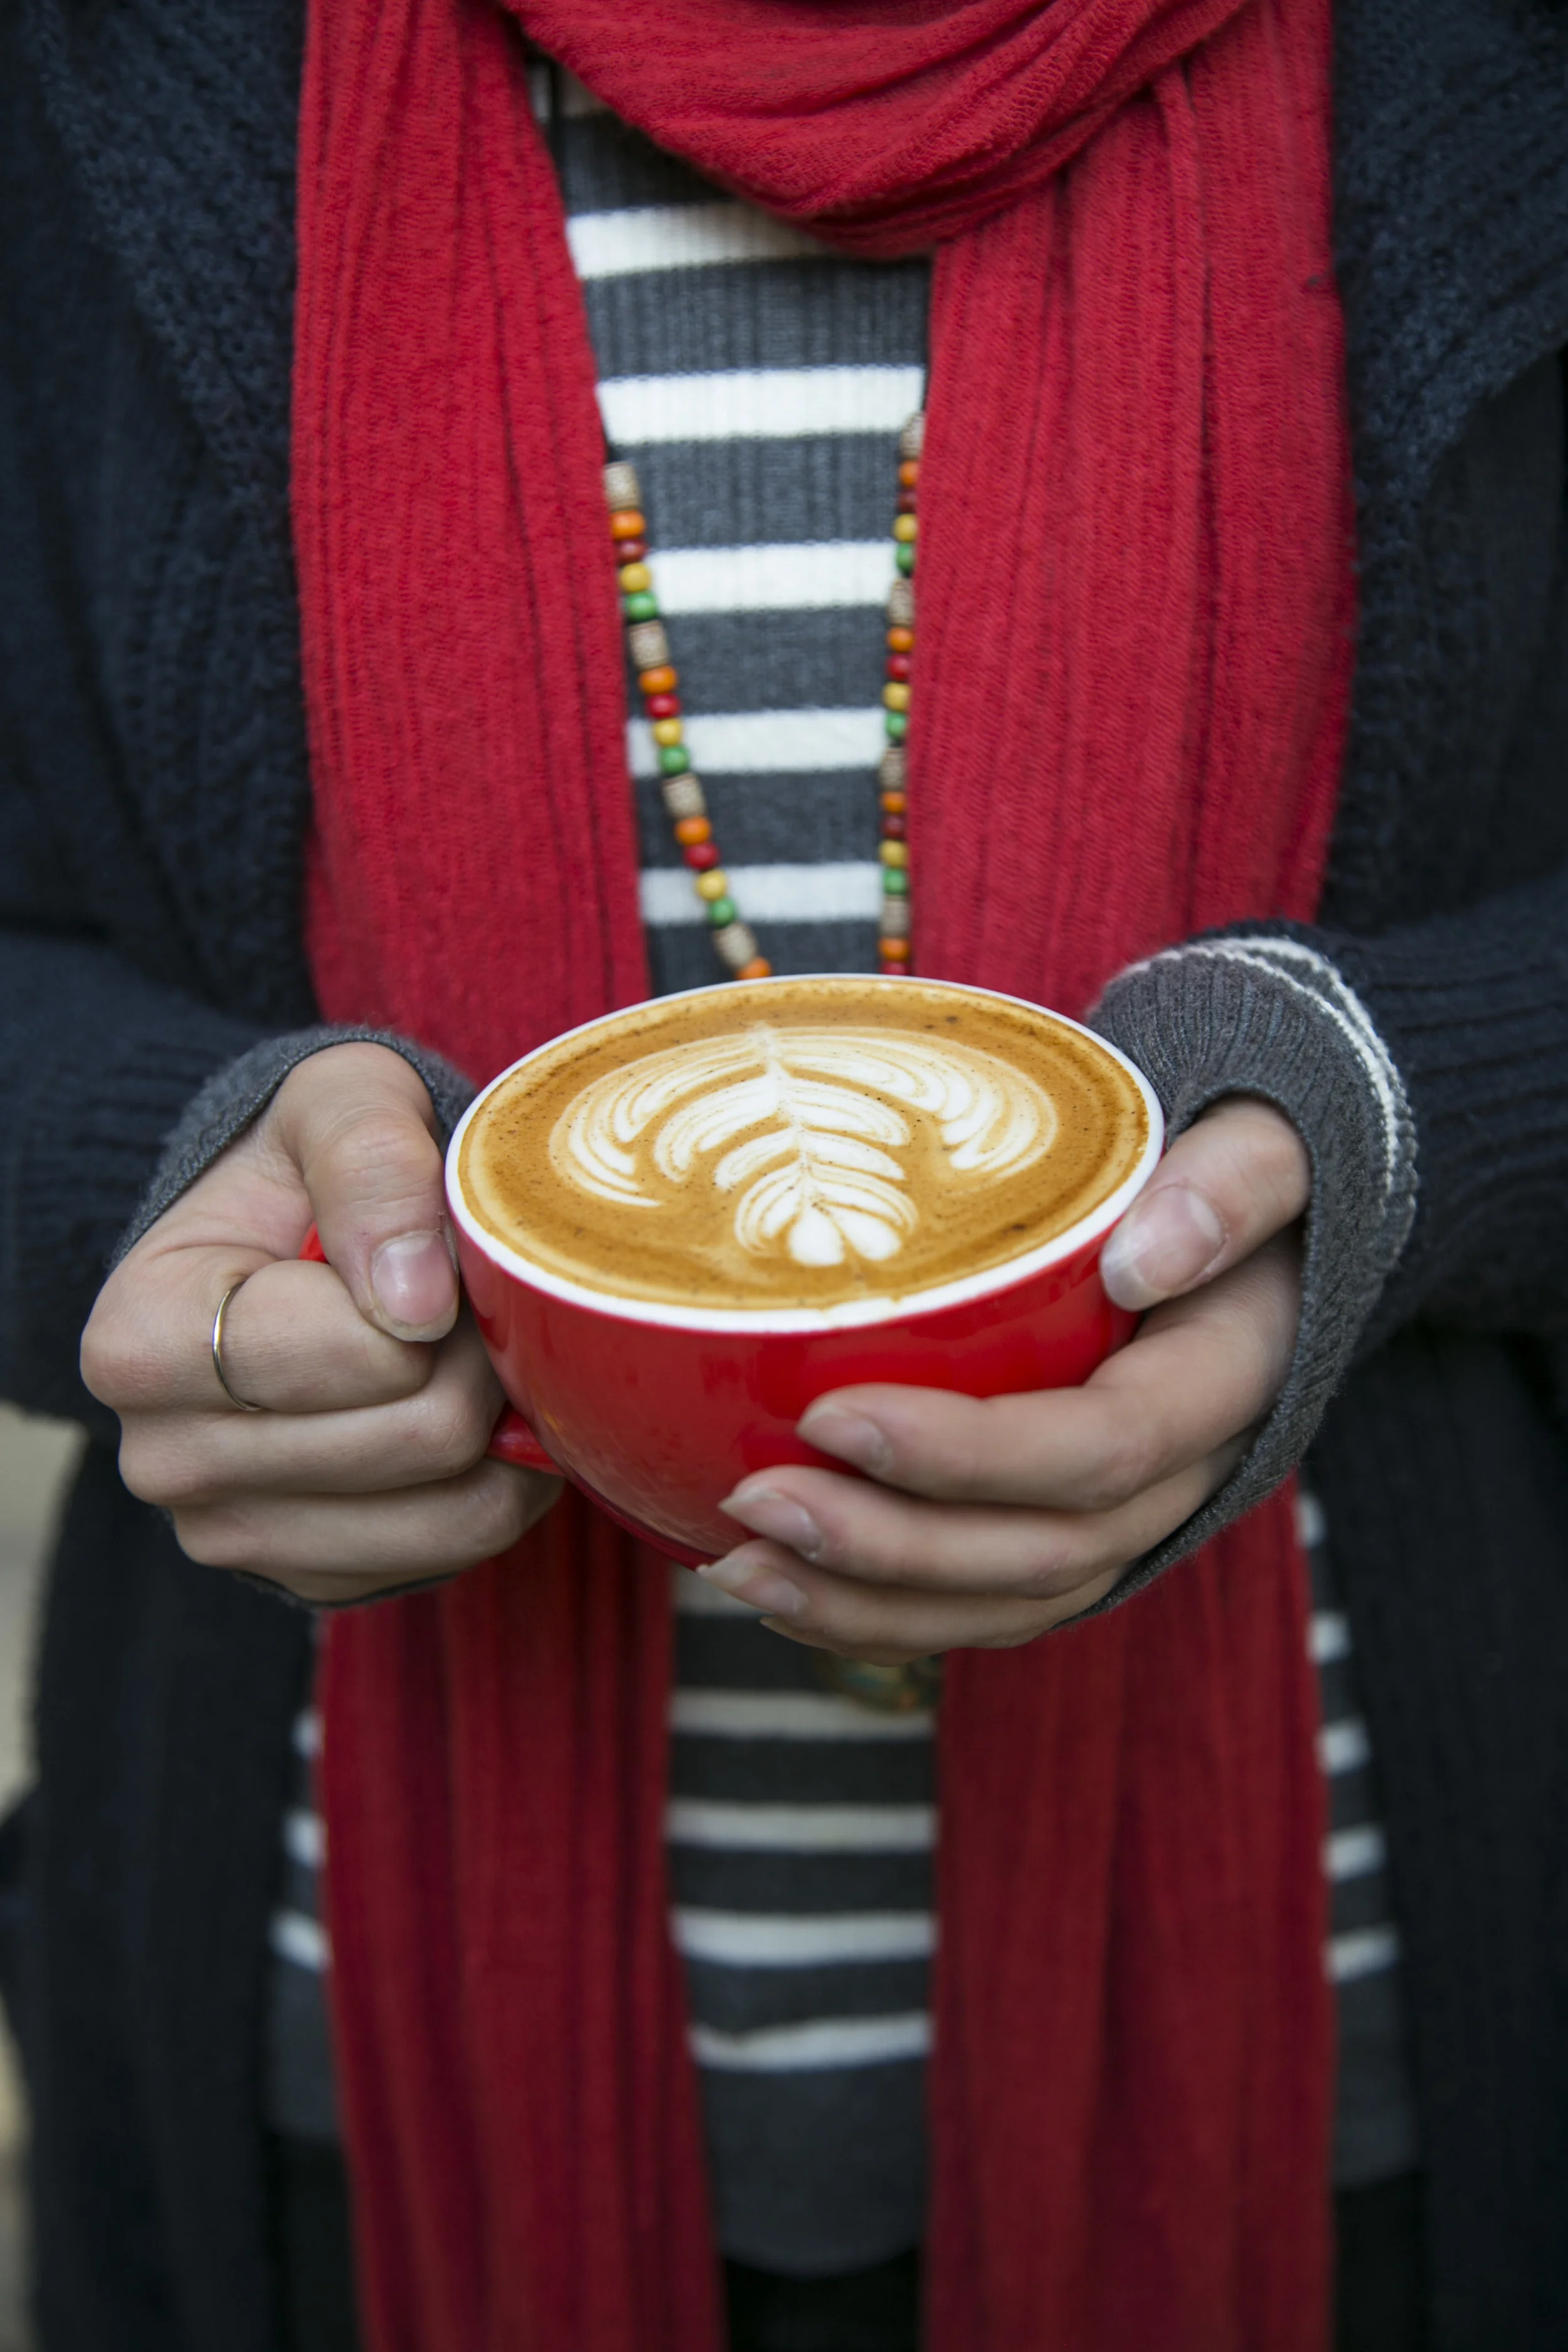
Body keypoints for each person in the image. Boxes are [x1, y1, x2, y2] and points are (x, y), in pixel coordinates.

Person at [3, 0, 1567, 2347]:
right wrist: (155, 1168)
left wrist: (1393, 1108)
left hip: (1359, 2041)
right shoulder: (110, 61)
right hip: (331, 2063)